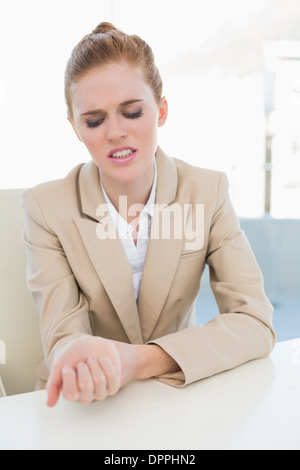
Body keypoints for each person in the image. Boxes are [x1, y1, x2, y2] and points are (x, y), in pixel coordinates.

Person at [22, 22, 276, 408]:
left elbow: (255, 322)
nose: (116, 132)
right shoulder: (46, 208)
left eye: (132, 111)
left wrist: (136, 361)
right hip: (84, 403)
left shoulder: (208, 192)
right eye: (94, 120)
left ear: (161, 110)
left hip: (175, 390)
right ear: (76, 128)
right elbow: (63, 339)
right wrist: (83, 364)